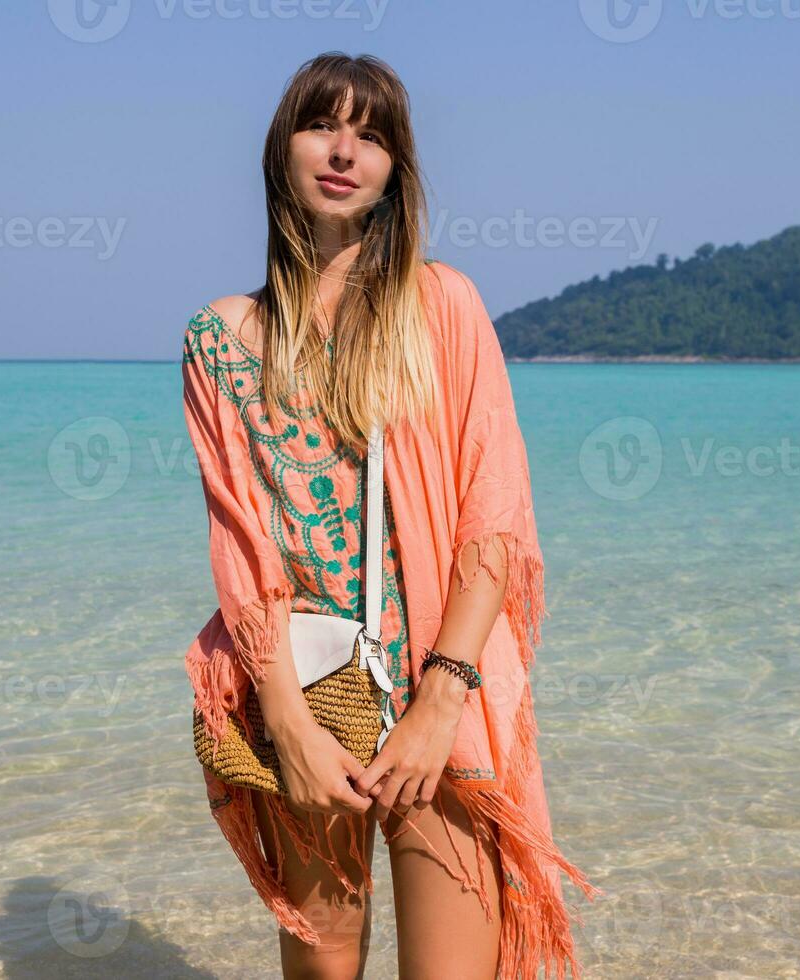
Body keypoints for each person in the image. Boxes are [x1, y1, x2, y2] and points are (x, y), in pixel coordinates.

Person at [180, 51, 600, 980]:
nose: (343, 151)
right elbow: (243, 548)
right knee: (322, 970)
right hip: (307, 695)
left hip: (438, 696)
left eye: (371, 137)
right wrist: (285, 724)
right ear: (281, 148)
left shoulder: (442, 308)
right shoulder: (222, 338)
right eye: (321, 126)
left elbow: (491, 519)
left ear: (393, 173)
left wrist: (440, 703)